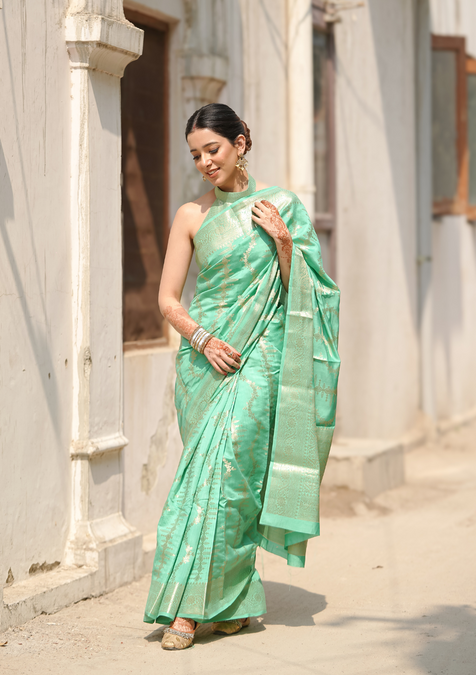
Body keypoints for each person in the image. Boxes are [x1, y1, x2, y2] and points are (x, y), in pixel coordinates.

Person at [143, 103, 340, 650]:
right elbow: (167, 298)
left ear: (241, 142)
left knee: (233, 477)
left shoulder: (283, 207)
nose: (205, 162)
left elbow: (313, 290)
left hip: (261, 357)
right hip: (205, 361)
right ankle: (228, 603)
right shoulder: (191, 216)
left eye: (214, 149)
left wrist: (281, 241)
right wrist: (201, 339)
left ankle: (187, 610)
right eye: (196, 155)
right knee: (206, 479)